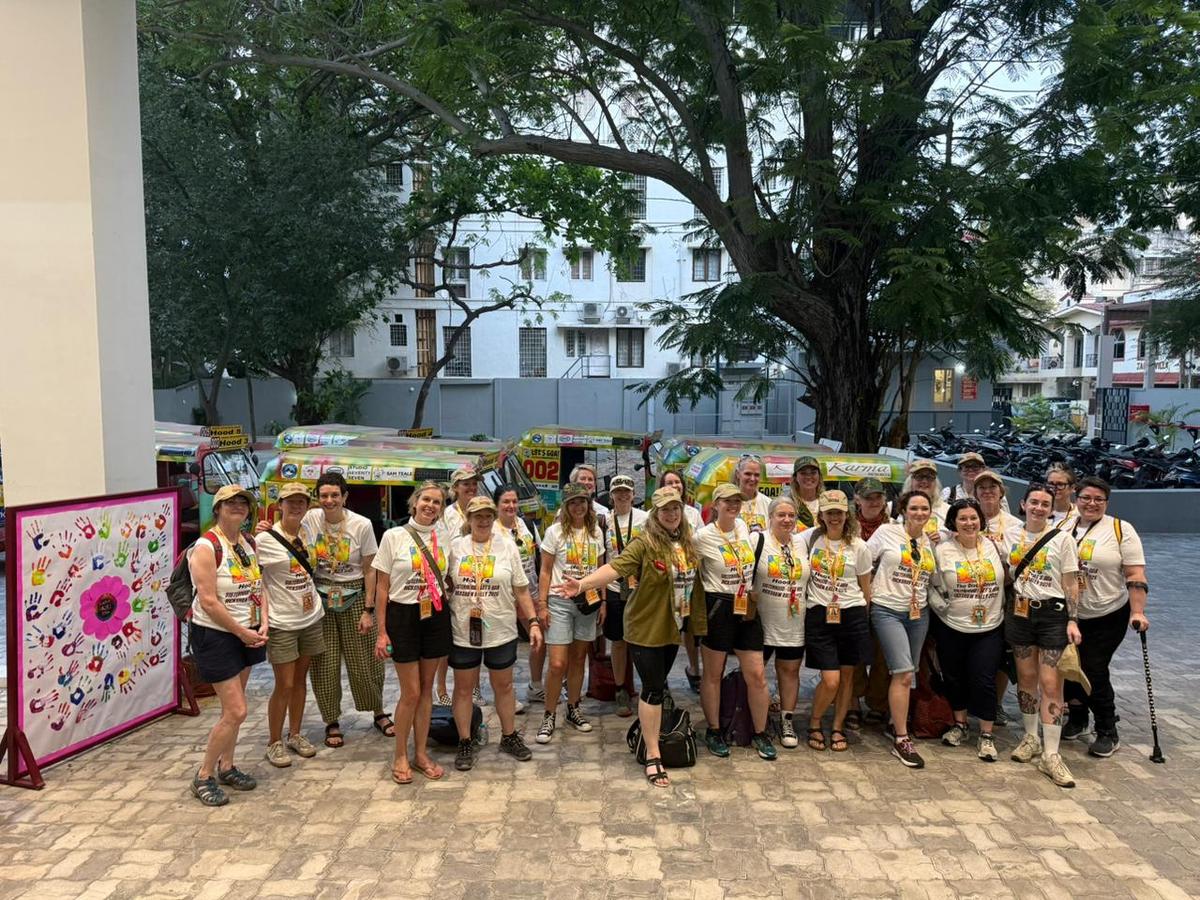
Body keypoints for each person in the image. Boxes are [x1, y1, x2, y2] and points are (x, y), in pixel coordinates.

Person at [557, 487, 707, 787]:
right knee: (652, 688)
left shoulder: (687, 544)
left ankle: (650, 732)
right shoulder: (644, 543)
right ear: (655, 513)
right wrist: (583, 584)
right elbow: (615, 568)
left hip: (670, 627)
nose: (671, 514)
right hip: (644, 628)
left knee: (658, 685)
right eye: (665, 509)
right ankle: (653, 755)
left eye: (676, 509)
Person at [446, 496, 543, 770]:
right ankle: (465, 740)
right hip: (464, 628)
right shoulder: (456, 548)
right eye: (477, 515)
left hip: (500, 628)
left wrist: (533, 622)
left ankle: (509, 736)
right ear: (469, 517)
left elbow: (521, 588)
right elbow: (444, 582)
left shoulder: (508, 545)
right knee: (464, 688)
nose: (483, 520)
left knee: (504, 686)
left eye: (488, 514)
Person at [187, 485, 267, 806]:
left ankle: (227, 765)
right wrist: (241, 632)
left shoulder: (248, 543)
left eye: (242, 503)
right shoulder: (206, 547)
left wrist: (264, 621)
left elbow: (261, 584)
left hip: (247, 629)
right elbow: (208, 601)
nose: (237, 507)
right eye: (229, 503)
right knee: (237, 710)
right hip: (217, 634)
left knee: (232, 710)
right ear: (217, 509)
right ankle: (204, 775)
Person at [372, 481, 452, 784]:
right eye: (426, 500)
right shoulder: (393, 536)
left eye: (437, 502)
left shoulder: (444, 536)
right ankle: (400, 755)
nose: (431, 506)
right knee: (411, 692)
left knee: (427, 689)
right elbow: (382, 587)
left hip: (434, 614)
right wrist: (382, 631)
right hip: (403, 616)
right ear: (415, 502)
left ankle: (420, 754)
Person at [1062, 477, 1149, 757]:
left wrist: (1137, 611)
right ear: (1076, 498)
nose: (1092, 503)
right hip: (1071, 612)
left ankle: (1107, 729)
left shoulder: (1121, 530)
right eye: (1086, 497)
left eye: (1099, 499)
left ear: (1106, 502)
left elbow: (1135, 574)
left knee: (1093, 668)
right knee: (1069, 667)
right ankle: (1077, 718)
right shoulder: (1064, 526)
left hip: (1107, 613)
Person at [302, 472, 388, 749]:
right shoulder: (310, 520)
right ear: (318, 497)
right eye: (324, 495)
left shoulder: (361, 525)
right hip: (321, 598)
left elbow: (370, 569)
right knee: (324, 663)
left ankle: (378, 711)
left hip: (355, 596)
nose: (329, 500)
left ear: (345, 496)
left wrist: (369, 609)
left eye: (335, 495)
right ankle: (331, 720)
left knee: (366, 660)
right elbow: (287, 528)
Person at [1006, 483, 1082, 788]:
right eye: (1033, 502)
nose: (1038, 508)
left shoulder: (1063, 540)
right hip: (1020, 613)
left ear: (1052, 509)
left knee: (1051, 683)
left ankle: (1052, 754)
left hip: (1052, 614)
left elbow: (1071, 582)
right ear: (1023, 504)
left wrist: (1073, 619)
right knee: (1025, 678)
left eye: (1045, 504)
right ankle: (1030, 737)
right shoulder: (1010, 534)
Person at [694, 483, 776, 760]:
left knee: (757, 675)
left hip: (747, 608)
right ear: (715, 504)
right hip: (718, 606)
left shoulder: (744, 528)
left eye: (737, 501)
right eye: (727, 501)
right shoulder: (702, 537)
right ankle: (714, 730)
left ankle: (760, 732)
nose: (733, 505)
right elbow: (687, 571)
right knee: (713, 674)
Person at [930, 498, 1005, 762]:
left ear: (980, 521)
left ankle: (986, 733)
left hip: (990, 624)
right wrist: (941, 607)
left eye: (973, 518)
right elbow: (932, 583)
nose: (969, 523)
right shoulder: (942, 549)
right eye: (963, 518)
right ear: (953, 522)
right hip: (952, 625)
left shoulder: (994, 546)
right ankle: (960, 724)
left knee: (983, 678)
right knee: (954, 676)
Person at [866, 491, 937, 768]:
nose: (919, 513)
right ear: (903, 510)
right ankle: (901, 738)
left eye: (924, 508)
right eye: (914, 508)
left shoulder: (929, 541)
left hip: (919, 613)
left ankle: (893, 719)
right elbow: (864, 561)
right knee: (904, 673)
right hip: (887, 609)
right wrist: (868, 593)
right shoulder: (886, 532)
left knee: (910, 672)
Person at [258, 482, 324, 768]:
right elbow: (254, 578)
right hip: (282, 621)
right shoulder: (265, 539)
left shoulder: (310, 532)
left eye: (301, 502)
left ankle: (295, 733)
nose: (296, 506)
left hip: (309, 616)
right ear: (279, 505)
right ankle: (274, 741)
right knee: (283, 683)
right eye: (291, 502)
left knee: (300, 680)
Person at [804, 490, 873, 753]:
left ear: (847, 514)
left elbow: (865, 589)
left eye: (839, 512)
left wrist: (860, 621)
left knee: (847, 678)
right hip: (820, 614)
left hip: (851, 614)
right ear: (821, 515)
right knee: (830, 678)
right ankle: (814, 721)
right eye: (829, 512)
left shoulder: (859, 546)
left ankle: (837, 726)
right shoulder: (811, 540)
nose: (834, 517)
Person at [536, 483, 606, 743]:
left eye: (583, 502)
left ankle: (574, 708)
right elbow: (545, 570)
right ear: (565, 506)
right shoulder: (555, 532)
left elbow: (601, 570)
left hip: (587, 602)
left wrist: (604, 601)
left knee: (579, 659)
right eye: (573, 502)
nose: (578, 507)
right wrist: (542, 604)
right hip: (559, 601)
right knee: (557, 663)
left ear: (588, 504)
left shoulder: (595, 531)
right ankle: (549, 713)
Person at [753, 497, 809, 749]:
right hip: (761, 620)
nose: (786, 520)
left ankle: (787, 720)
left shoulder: (803, 542)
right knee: (756, 675)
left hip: (794, 621)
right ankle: (756, 720)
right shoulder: (758, 540)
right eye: (781, 515)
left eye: (791, 515)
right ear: (771, 517)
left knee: (789, 672)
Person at [973, 468, 1021, 726]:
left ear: (1001, 492)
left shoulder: (1014, 525)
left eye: (992, 487)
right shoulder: (967, 517)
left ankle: (996, 703)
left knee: (1002, 651)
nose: (987, 491)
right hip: (970, 593)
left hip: (1004, 593)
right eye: (982, 488)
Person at [603, 474, 649, 717]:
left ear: (633, 495)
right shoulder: (603, 521)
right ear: (611, 495)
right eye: (618, 491)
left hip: (640, 589)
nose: (622, 495)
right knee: (618, 642)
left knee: (642, 640)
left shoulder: (645, 519)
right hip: (613, 589)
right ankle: (620, 688)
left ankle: (647, 687)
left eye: (626, 491)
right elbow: (602, 557)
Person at [494, 483, 537, 716]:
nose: (511, 506)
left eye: (514, 501)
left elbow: (535, 555)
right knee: (507, 646)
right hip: (505, 596)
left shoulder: (525, 524)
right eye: (506, 502)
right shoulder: (491, 530)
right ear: (497, 505)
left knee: (539, 636)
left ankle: (536, 685)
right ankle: (508, 693)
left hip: (530, 590)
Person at [437, 466, 480, 704]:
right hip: (452, 584)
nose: (471, 488)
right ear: (455, 488)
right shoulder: (446, 514)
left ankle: (473, 687)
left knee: (475, 633)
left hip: (477, 583)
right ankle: (442, 689)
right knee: (448, 639)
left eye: (474, 484)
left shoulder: (482, 509)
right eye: (466, 484)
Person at [659, 469, 704, 691]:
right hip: (666, 581)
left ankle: (694, 668)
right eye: (669, 482)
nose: (674, 486)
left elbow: (701, 543)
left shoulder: (694, 514)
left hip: (689, 580)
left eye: (677, 482)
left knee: (689, 628)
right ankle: (662, 675)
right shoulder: (655, 513)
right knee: (668, 627)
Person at [902, 460, 949, 529]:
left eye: (929, 477)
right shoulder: (893, 507)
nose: (924, 481)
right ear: (910, 481)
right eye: (919, 477)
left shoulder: (948, 510)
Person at [730, 454, 771, 532]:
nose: (752, 479)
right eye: (748, 474)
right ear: (738, 474)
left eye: (756, 475)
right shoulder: (727, 501)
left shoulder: (768, 503)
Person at [789, 456, 822, 529]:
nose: (808, 477)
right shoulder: (788, 503)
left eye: (813, 473)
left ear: (819, 476)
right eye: (803, 473)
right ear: (795, 477)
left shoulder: (828, 500)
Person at [1045, 464, 1078, 528]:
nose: (1054, 488)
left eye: (1060, 484)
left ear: (1072, 488)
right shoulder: (1038, 509)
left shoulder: (1079, 516)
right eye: (1051, 484)